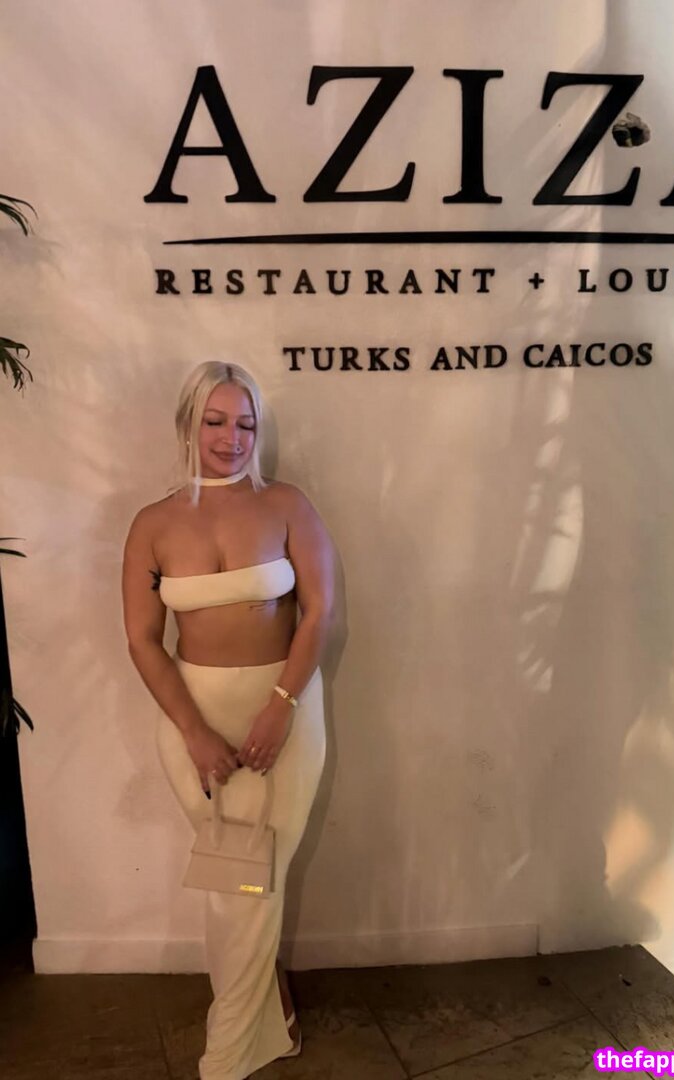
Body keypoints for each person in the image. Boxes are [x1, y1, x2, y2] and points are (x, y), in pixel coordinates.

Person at [121, 360, 336, 1078]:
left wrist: (281, 708)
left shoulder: (286, 504)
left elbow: (319, 614)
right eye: (215, 421)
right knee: (232, 881)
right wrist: (194, 732)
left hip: (286, 711)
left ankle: (228, 1054)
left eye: (245, 423)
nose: (231, 437)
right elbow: (142, 640)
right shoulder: (152, 523)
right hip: (193, 716)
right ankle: (267, 1011)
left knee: (255, 879)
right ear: (188, 423)